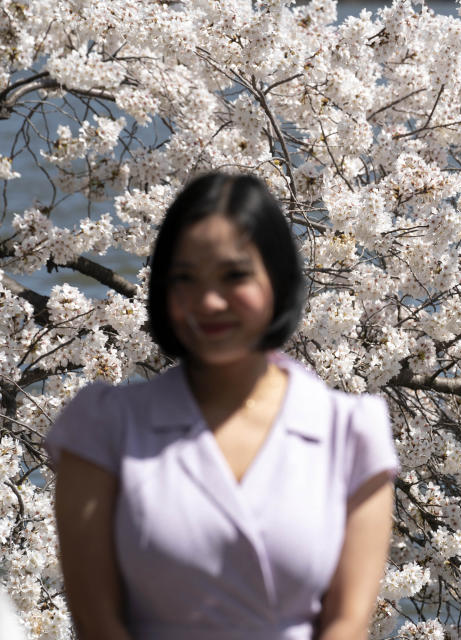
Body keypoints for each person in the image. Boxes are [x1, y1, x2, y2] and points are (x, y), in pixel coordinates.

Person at [44, 172, 398, 640]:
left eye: (235, 276)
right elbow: (96, 621)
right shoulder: (103, 427)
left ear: (277, 278)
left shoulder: (350, 431)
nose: (209, 301)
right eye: (185, 279)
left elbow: (347, 622)